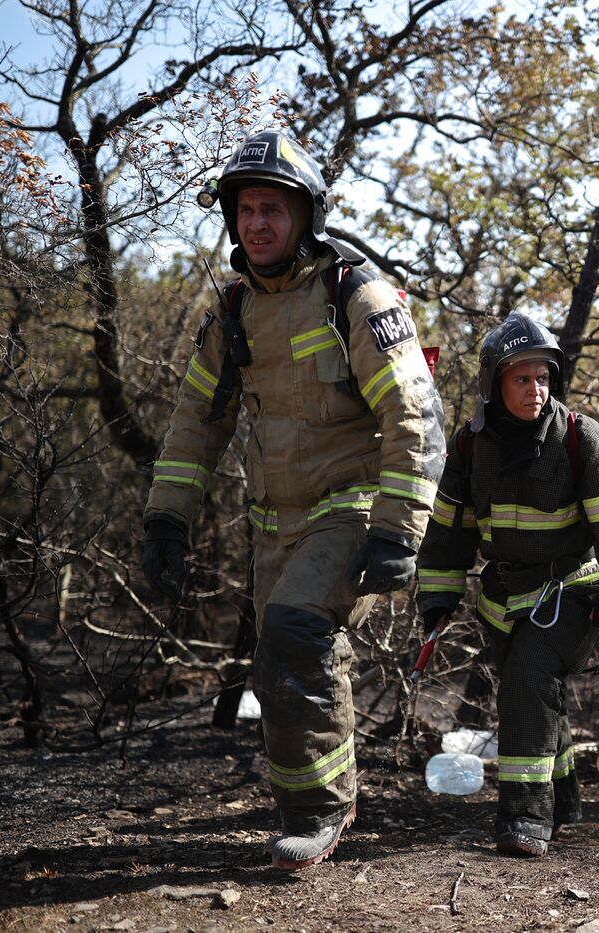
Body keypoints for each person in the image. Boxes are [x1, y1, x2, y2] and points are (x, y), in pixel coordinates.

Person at [140, 130, 445, 869]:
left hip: (353, 505)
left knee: (296, 625)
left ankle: (322, 811)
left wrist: (398, 532)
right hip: (274, 525)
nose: (257, 224)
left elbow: (415, 414)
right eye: (245, 209)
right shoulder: (234, 309)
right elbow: (195, 421)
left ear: (307, 214)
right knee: (276, 662)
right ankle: (306, 810)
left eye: (273, 208)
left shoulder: (354, 293)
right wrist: (166, 516)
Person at [415, 314, 599, 857]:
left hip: (575, 592)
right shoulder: (472, 447)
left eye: (542, 377)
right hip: (503, 601)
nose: (535, 389)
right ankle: (564, 799)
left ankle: (525, 818)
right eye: (521, 378)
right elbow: (448, 534)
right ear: (495, 385)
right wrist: (437, 599)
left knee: (527, 679)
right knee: (535, 697)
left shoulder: (581, 439)